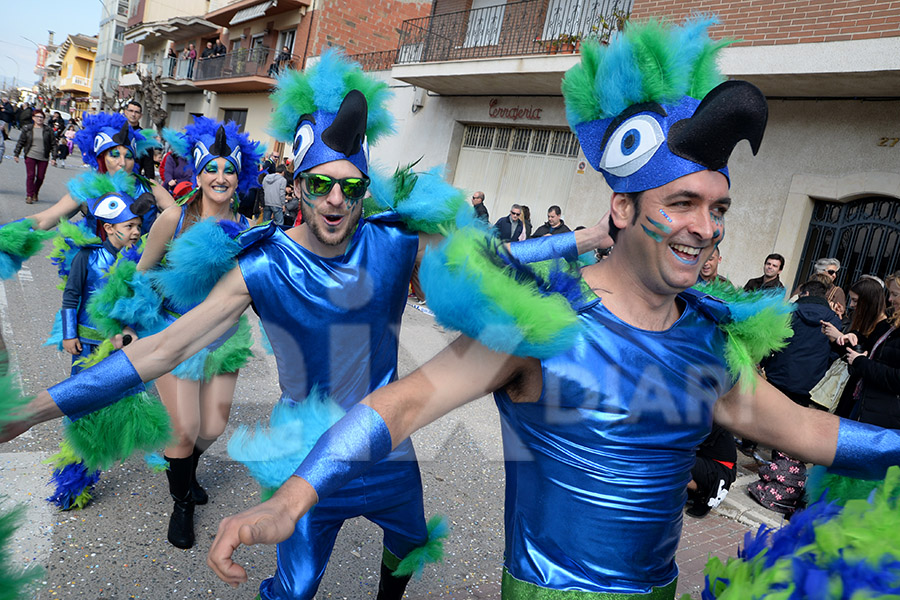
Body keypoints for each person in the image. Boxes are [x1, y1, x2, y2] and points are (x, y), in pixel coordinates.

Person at [198, 19, 900, 597]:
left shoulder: (708, 346)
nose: (706, 227)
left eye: (717, 209)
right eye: (681, 203)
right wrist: (292, 498)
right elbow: (400, 406)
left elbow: (814, 433)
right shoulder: (542, 324)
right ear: (622, 209)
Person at [0, 50, 611, 598]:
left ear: (366, 191)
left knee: (406, 546)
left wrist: (585, 238)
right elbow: (161, 350)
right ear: (295, 185)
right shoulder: (261, 265)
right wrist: (33, 410)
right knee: (293, 589)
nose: (335, 200)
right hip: (305, 454)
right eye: (320, 183)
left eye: (351, 187)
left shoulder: (396, 244)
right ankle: (187, 500)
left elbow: (489, 261)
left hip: (385, 444)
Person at [59, 172, 143, 373]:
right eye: (129, 226)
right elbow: (71, 294)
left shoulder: (138, 261)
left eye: (139, 226)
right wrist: (69, 334)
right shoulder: (88, 256)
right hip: (88, 341)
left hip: (123, 341)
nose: (136, 232)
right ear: (109, 228)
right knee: (83, 391)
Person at [762, 279, 841, 408]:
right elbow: (834, 353)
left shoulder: (788, 312)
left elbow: (771, 341)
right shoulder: (834, 320)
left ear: (806, 293)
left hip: (779, 376)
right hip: (811, 383)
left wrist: (763, 362)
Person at [823, 277, 892, 418]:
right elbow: (850, 354)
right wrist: (835, 338)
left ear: (867, 301)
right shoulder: (865, 322)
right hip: (854, 393)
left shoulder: (884, 328)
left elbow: (866, 359)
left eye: (855, 300)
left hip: (866, 399)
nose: (852, 304)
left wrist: (839, 336)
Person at [843, 271, 900, 428]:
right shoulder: (891, 324)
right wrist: (854, 338)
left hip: (883, 415)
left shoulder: (888, 324)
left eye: (895, 294)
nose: (890, 299)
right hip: (869, 404)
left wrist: (861, 362)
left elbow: (896, 378)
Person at [686, 422, 737, 518]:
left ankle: (702, 492)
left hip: (720, 470)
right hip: (707, 462)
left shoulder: (710, 422)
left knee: (676, 463)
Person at [13, 109, 54, 204]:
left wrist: (54, 157)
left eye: (41, 117)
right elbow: (21, 141)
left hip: (43, 156)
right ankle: (29, 195)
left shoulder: (48, 130)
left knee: (40, 177)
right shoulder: (27, 128)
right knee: (30, 176)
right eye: (37, 117)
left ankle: (35, 192)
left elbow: (53, 144)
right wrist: (16, 154)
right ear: (33, 118)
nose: (39, 119)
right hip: (30, 154)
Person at [123, 100, 156, 180]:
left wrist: (150, 183)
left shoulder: (144, 136)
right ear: (125, 112)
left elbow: (149, 165)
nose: (133, 114)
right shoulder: (116, 130)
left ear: (141, 115)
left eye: (136, 112)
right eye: (131, 111)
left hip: (133, 179)